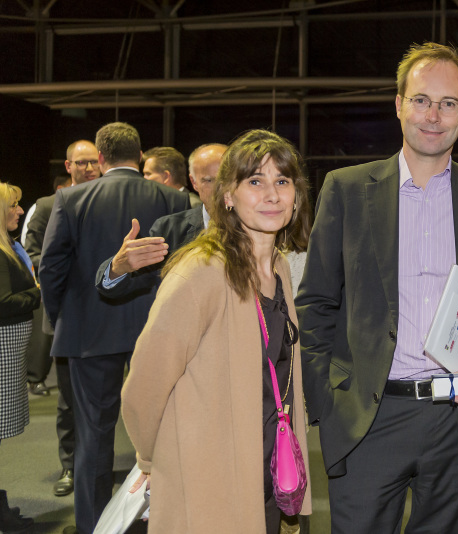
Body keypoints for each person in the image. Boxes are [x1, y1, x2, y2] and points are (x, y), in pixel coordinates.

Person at [296, 42, 458, 534]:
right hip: (369, 417)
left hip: (457, 420)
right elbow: (316, 302)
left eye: (448, 103)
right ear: (398, 105)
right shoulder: (346, 189)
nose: (433, 116)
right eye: (421, 100)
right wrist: (327, 402)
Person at [121, 129, 312, 533]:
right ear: (228, 196)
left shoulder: (279, 268)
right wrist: (153, 460)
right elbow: (144, 386)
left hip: (267, 466)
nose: (272, 195)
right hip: (209, 477)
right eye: (255, 182)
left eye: (282, 181)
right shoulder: (201, 271)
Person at [39, 122, 191, 534]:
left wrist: (61, 318)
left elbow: (51, 269)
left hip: (88, 333)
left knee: (92, 435)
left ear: (101, 158)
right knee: (165, 432)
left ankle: (92, 527)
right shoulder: (175, 198)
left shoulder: (69, 199)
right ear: (140, 156)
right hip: (160, 332)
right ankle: (167, 521)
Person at [23, 141, 102, 498]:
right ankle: (70, 465)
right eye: (80, 162)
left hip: (110, 315)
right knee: (69, 399)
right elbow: (32, 256)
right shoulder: (46, 206)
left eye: (92, 162)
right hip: (67, 316)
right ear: (68, 166)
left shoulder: (108, 201)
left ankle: (100, 467)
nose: (87, 168)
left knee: (113, 396)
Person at [95, 143, 227, 298]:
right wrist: (118, 267)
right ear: (194, 182)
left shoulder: (253, 226)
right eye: (209, 180)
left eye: (227, 179)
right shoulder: (169, 230)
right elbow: (125, 284)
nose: (220, 188)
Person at [0, 182, 38, 532]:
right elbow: (3, 303)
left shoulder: (9, 245)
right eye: (13, 205)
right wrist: (37, 293)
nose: (20, 211)